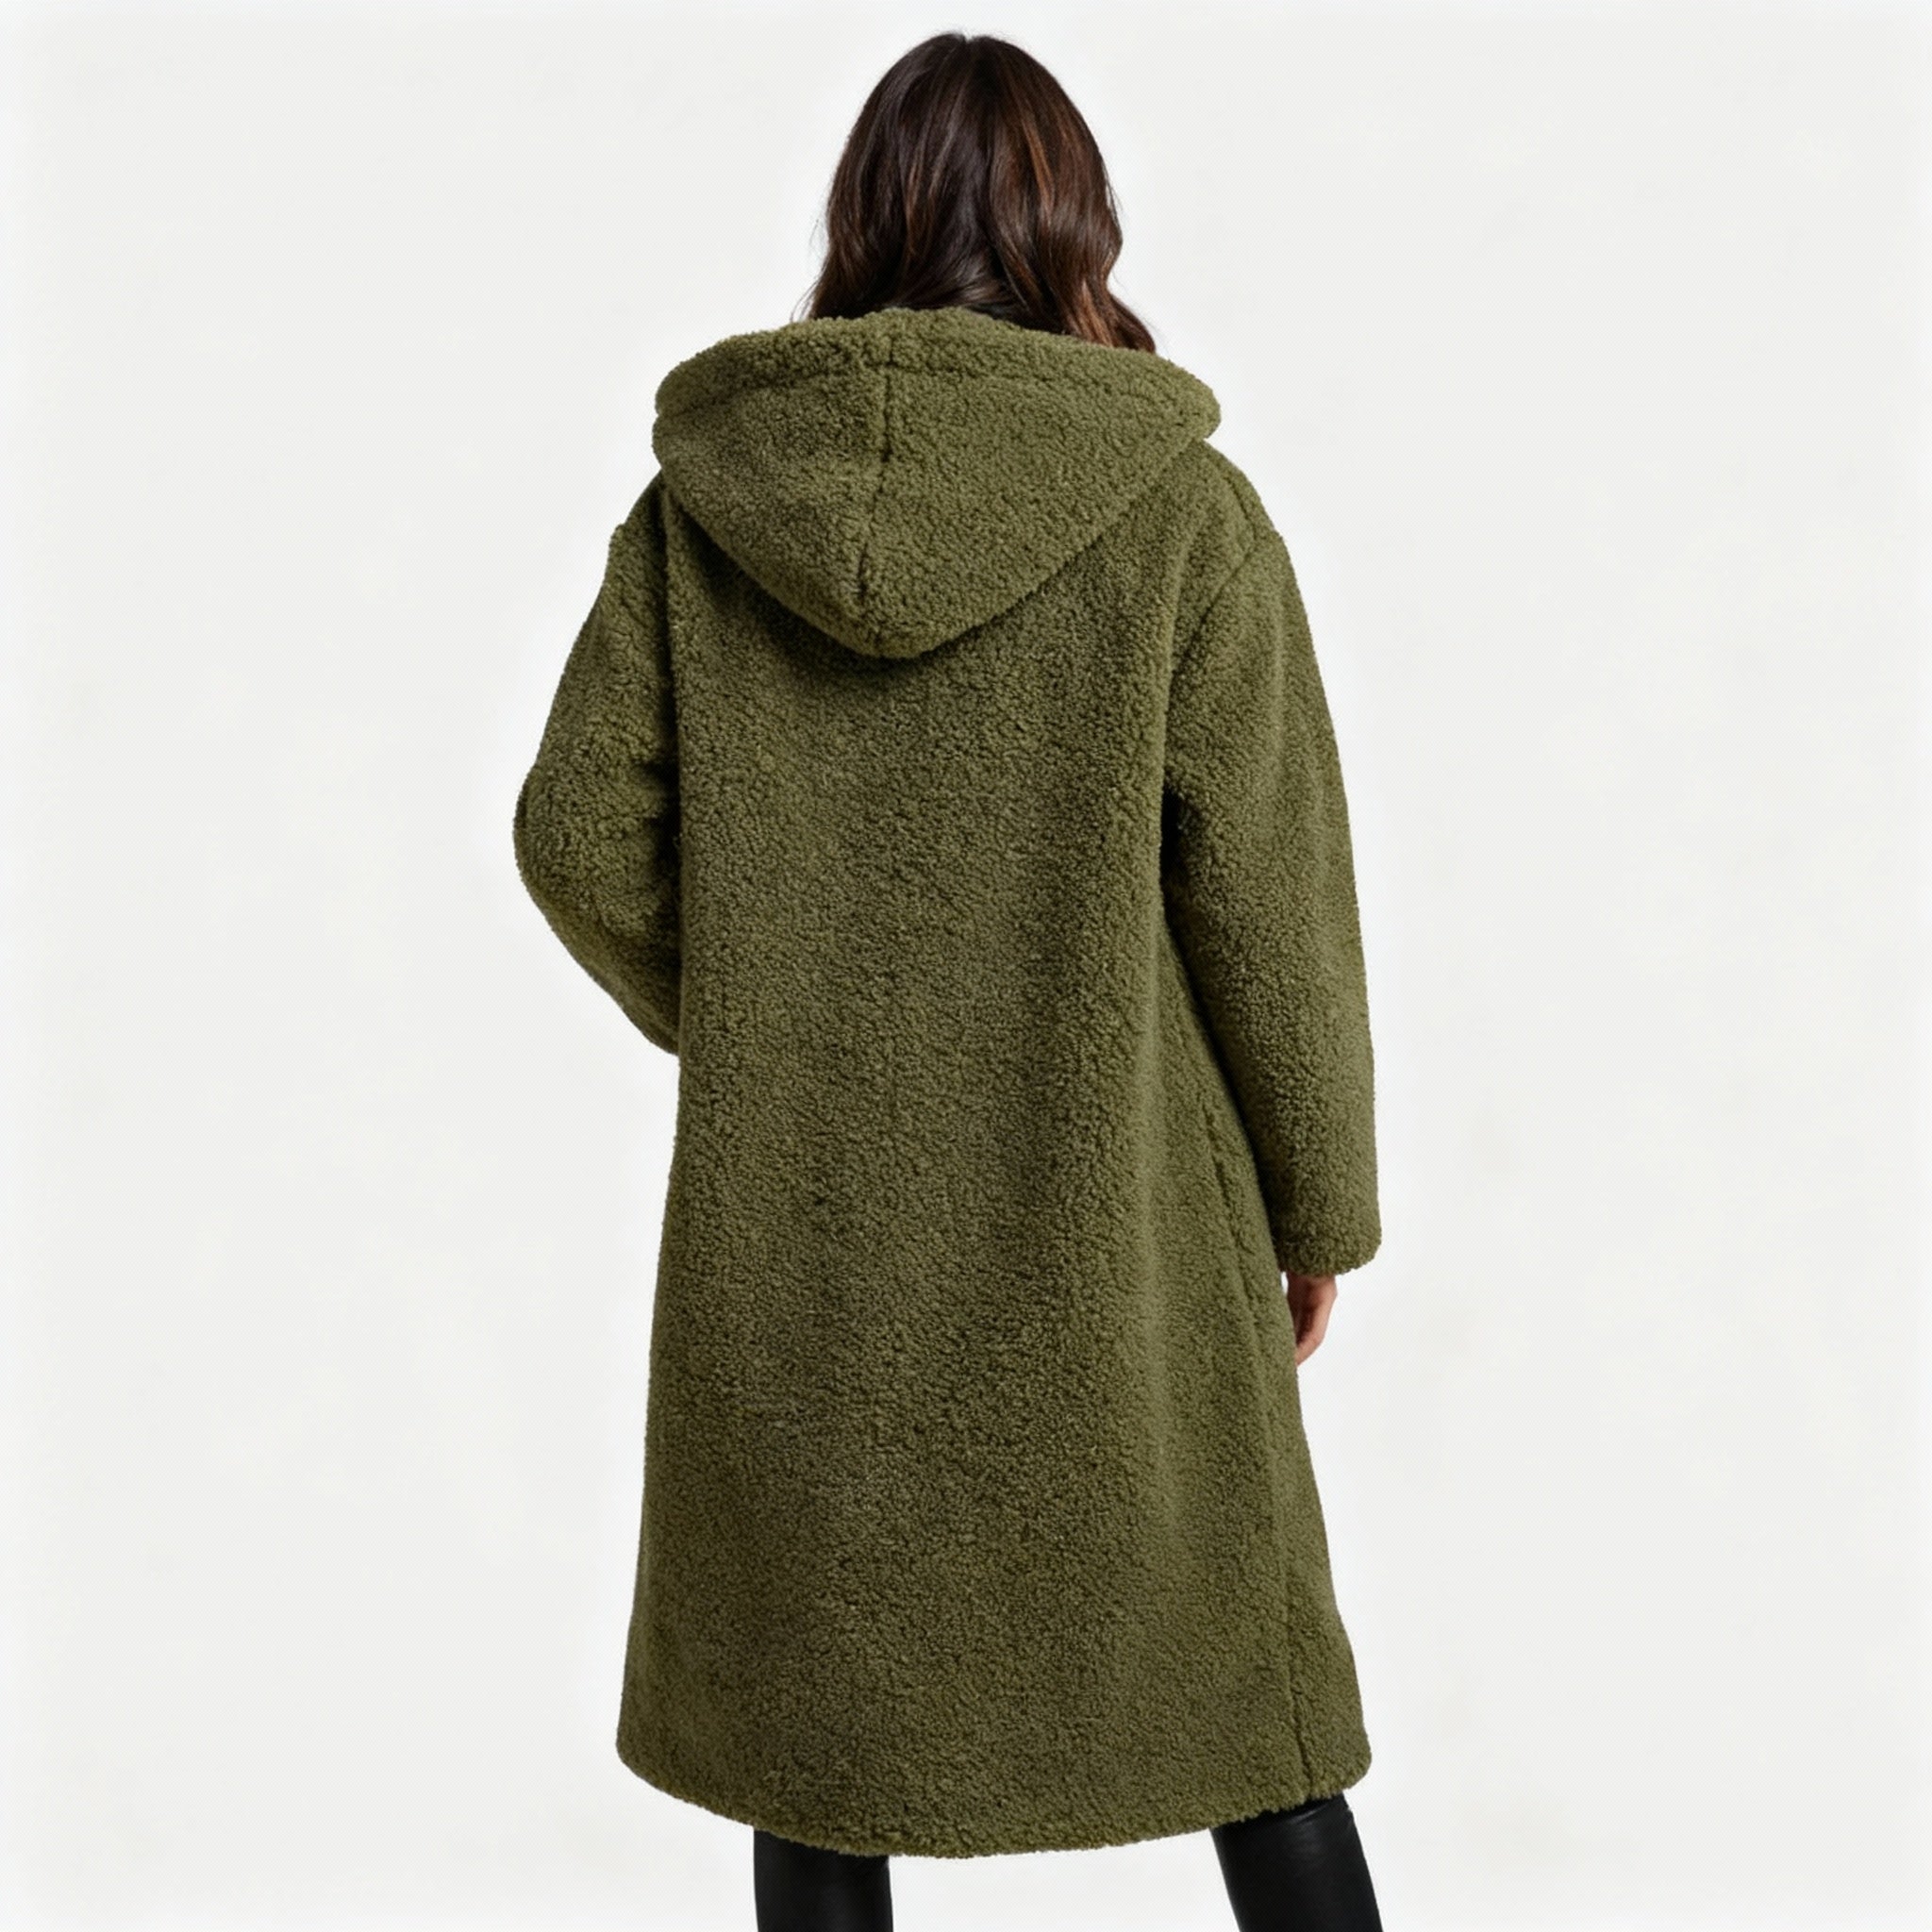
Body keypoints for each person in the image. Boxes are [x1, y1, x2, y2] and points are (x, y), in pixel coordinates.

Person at [513, 30, 1386, 1932]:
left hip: (802, 1237)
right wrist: (1318, 1204)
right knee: (1254, 1714)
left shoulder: (702, 514)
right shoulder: (1179, 515)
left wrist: (769, 1014)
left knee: (817, 1744)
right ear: (1076, 223)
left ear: (866, 216)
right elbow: (1273, 903)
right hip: (1123, 1233)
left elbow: (577, 833)